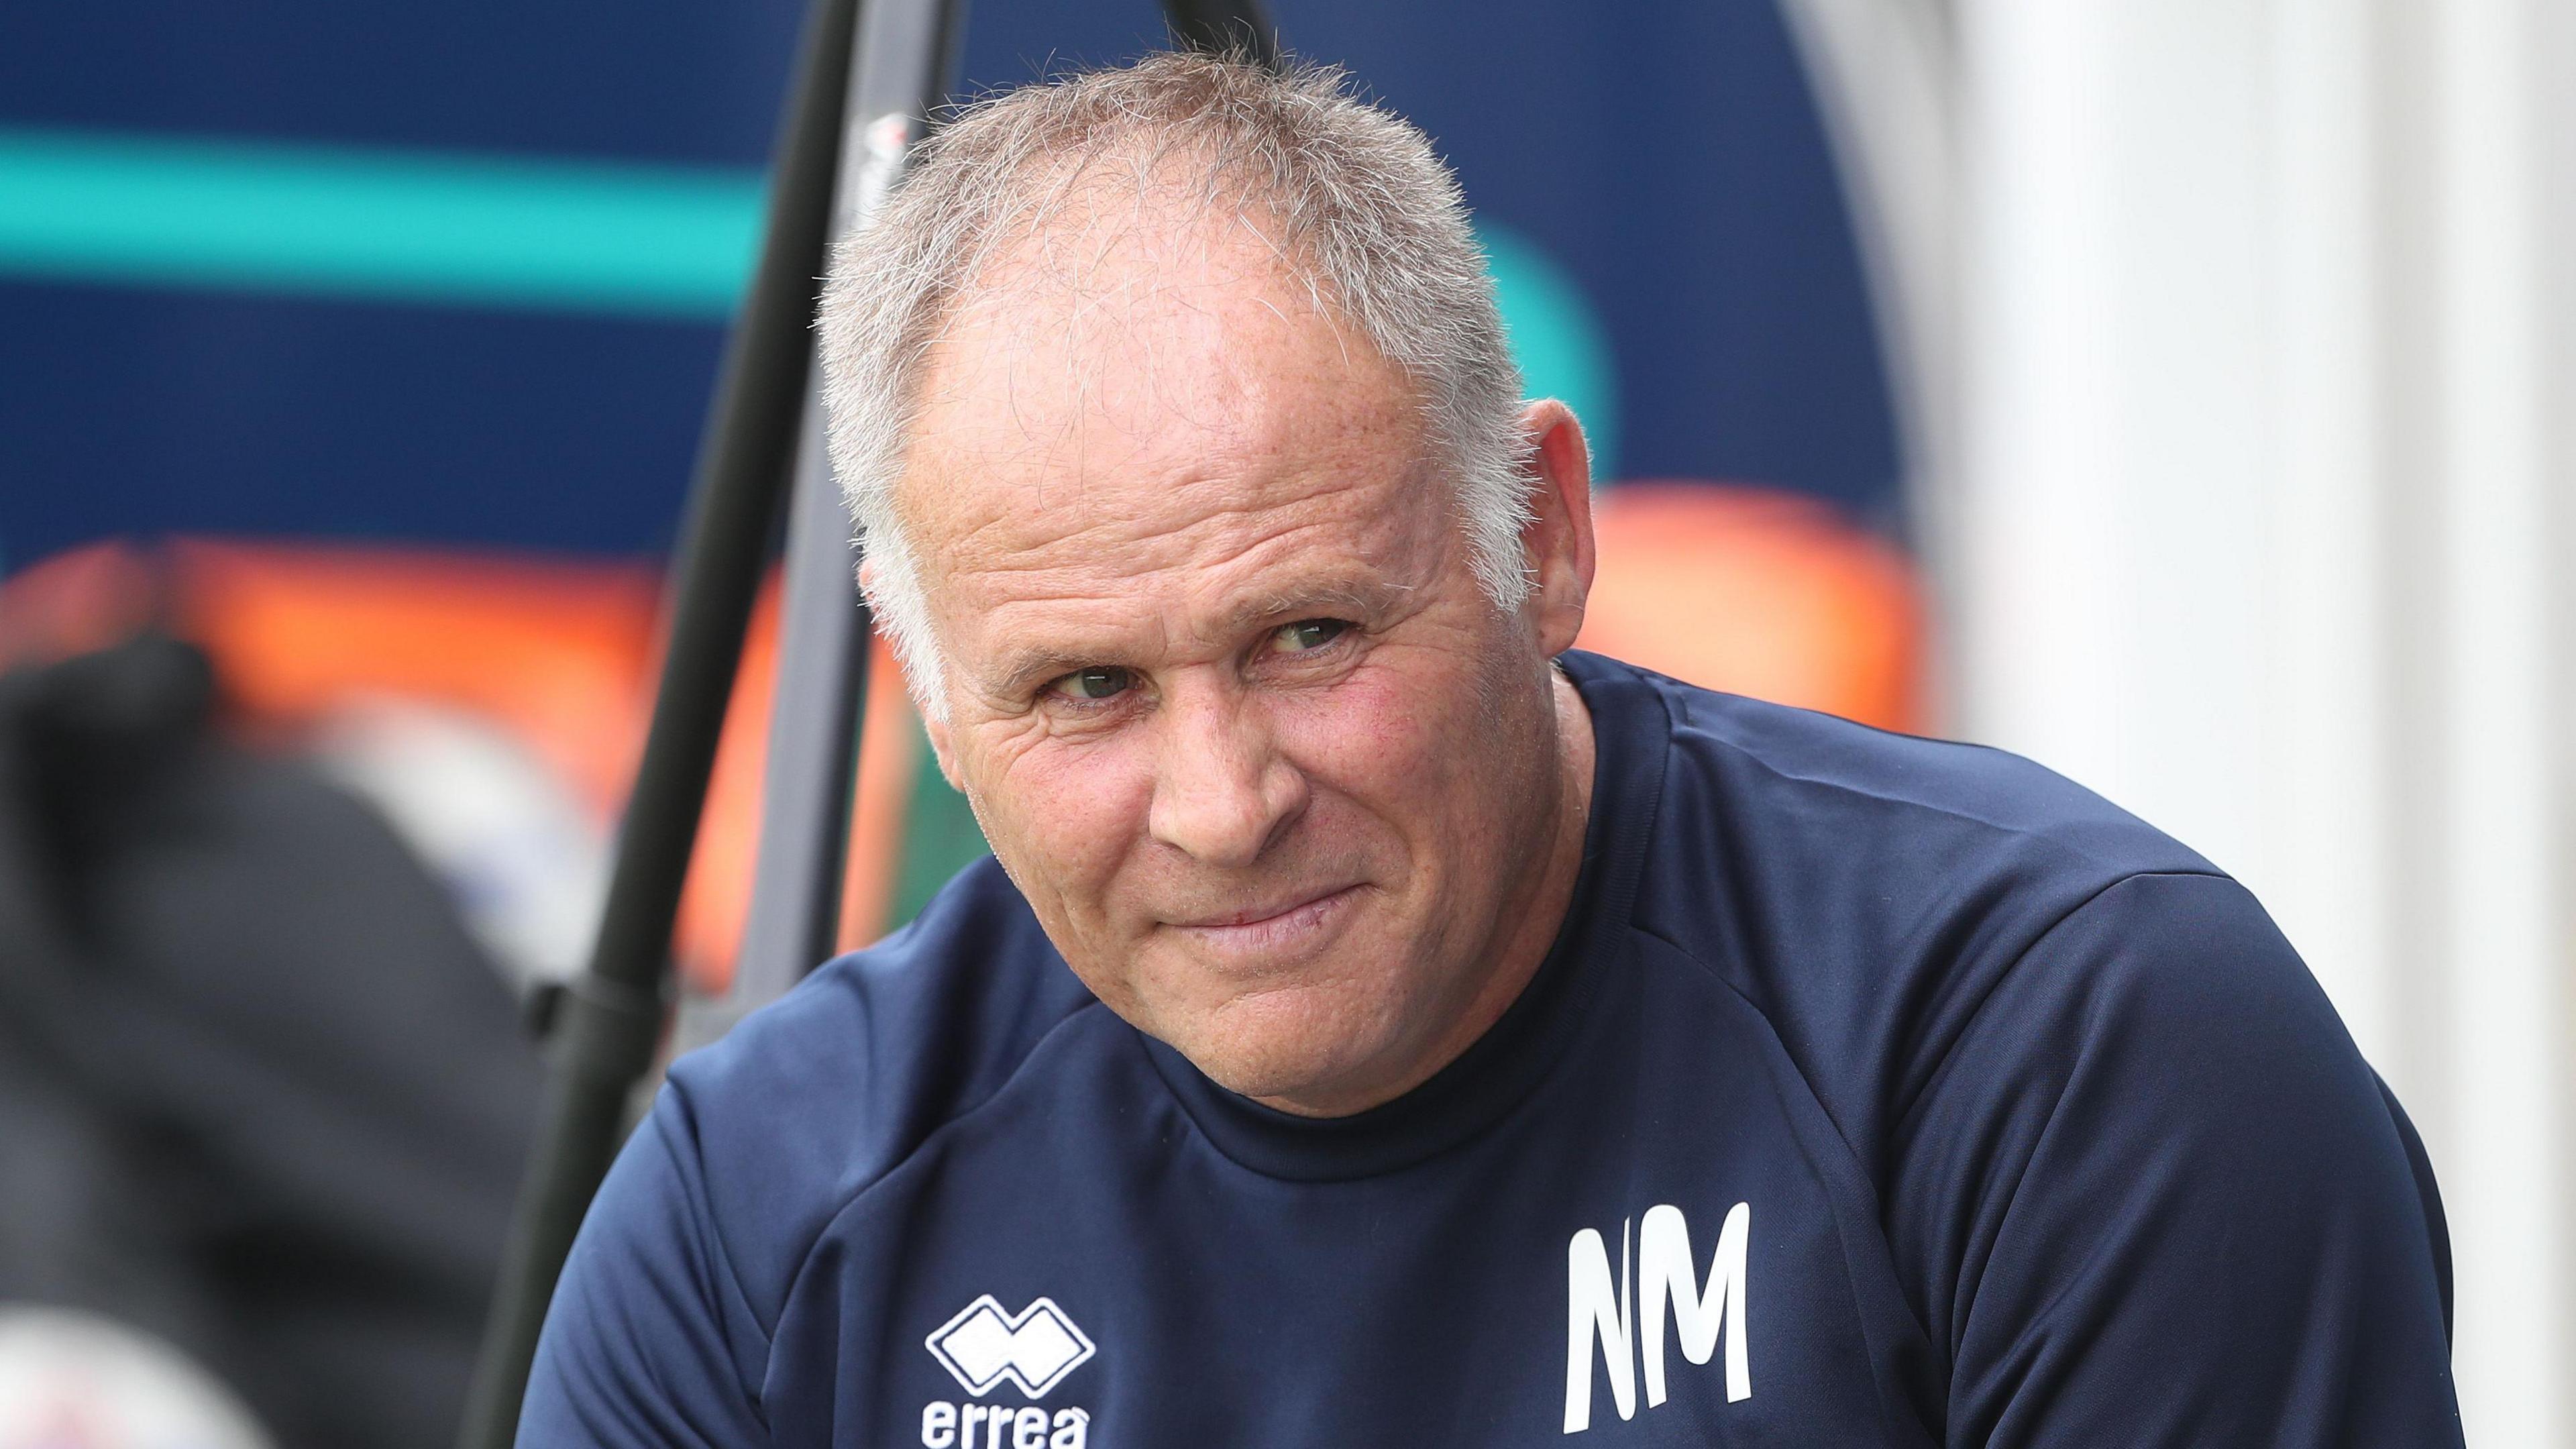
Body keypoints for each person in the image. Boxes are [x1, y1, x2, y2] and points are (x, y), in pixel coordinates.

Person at [521, 52, 2461, 1446]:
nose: (1222, 806)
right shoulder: (755, 1217)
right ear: (932, 689)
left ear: (1540, 537)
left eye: (1309, 635)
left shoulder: (2065, 1047)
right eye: (1085, 689)